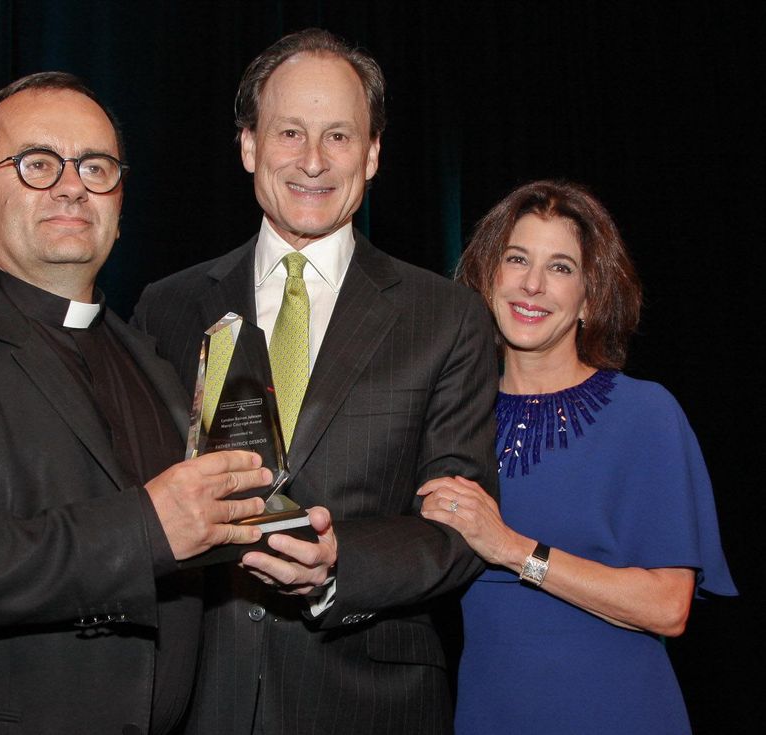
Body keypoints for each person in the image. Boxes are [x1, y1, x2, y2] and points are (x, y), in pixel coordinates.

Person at [0, 72, 274, 735]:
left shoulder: (156, 363)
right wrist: (145, 527)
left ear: (120, 209)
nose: (71, 184)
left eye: (97, 167)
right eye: (37, 163)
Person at [132, 29, 500, 735]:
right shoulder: (168, 306)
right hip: (198, 693)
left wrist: (340, 564)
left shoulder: (445, 316)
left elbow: (460, 526)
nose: (311, 161)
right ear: (248, 145)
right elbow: (106, 452)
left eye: (338, 136)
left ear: (372, 153)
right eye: (290, 131)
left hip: (368, 696)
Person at [418, 180, 737, 734]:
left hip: (617, 713)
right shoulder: (450, 421)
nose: (533, 284)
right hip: (487, 714)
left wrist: (513, 549)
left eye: (561, 268)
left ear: (590, 298)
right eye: (517, 259)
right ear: (488, 278)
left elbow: (668, 606)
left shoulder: (643, 413)